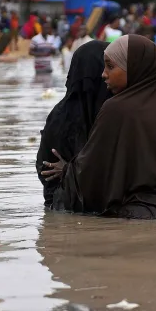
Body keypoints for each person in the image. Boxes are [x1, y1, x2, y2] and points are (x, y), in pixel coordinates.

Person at [40, 35, 156, 219]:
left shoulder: (116, 109)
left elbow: (93, 169)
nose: (103, 74)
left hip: (138, 216)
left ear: (134, 68)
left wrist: (67, 171)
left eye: (110, 66)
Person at [36, 41, 111, 207]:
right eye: (107, 66)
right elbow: (47, 170)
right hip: (70, 205)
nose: (107, 74)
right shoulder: (62, 117)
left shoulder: (113, 109)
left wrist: (69, 170)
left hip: (67, 208)